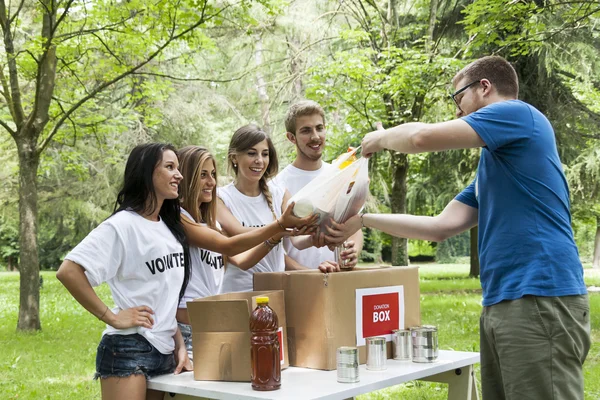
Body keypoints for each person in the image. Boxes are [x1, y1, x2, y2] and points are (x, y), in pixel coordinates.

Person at [325, 56, 590, 400]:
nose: (457, 112)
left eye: (457, 98)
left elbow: (420, 138)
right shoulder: (496, 167)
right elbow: (439, 227)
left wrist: (379, 138)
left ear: (484, 88)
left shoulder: (517, 113)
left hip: (540, 295)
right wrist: (362, 221)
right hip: (504, 301)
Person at [56, 143, 193, 400]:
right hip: (128, 348)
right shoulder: (122, 225)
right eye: (170, 167)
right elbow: (69, 270)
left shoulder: (169, 228)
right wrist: (112, 317)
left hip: (165, 352)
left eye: (179, 168)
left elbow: (162, 297)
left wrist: (179, 343)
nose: (179, 175)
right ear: (146, 173)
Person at [175, 145, 317, 356]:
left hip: (213, 327)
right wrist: (278, 225)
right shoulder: (180, 219)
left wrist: (277, 236)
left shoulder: (210, 223)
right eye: (202, 175)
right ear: (186, 178)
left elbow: (242, 260)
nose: (211, 182)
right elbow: (230, 245)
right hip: (187, 331)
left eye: (213, 174)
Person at [217, 124, 335, 293]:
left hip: (276, 292)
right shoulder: (220, 198)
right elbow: (239, 233)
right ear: (234, 158)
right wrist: (280, 228)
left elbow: (295, 241)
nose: (260, 160)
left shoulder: (279, 193)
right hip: (238, 295)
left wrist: (314, 239)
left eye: (265, 154)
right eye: (251, 153)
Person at [273, 100, 363, 271]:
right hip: (297, 283)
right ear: (291, 137)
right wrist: (311, 274)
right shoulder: (277, 185)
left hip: (339, 279)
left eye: (319, 128)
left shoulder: (341, 175)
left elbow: (355, 226)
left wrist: (354, 251)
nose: (315, 136)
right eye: (306, 130)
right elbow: (273, 248)